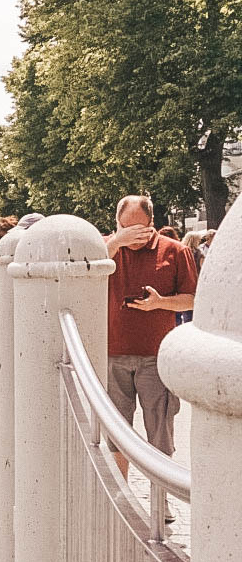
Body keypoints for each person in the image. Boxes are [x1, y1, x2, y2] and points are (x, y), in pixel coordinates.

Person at [105, 194, 197, 477]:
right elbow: (88, 269)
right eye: (125, 227)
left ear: (152, 223)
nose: (133, 235)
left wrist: (161, 303)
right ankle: (121, 494)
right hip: (114, 354)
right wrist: (116, 241)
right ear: (117, 224)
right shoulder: (108, 247)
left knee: (160, 432)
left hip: (156, 357)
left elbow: (192, 299)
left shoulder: (175, 251)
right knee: (116, 433)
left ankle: (162, 498)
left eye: (139, 228)